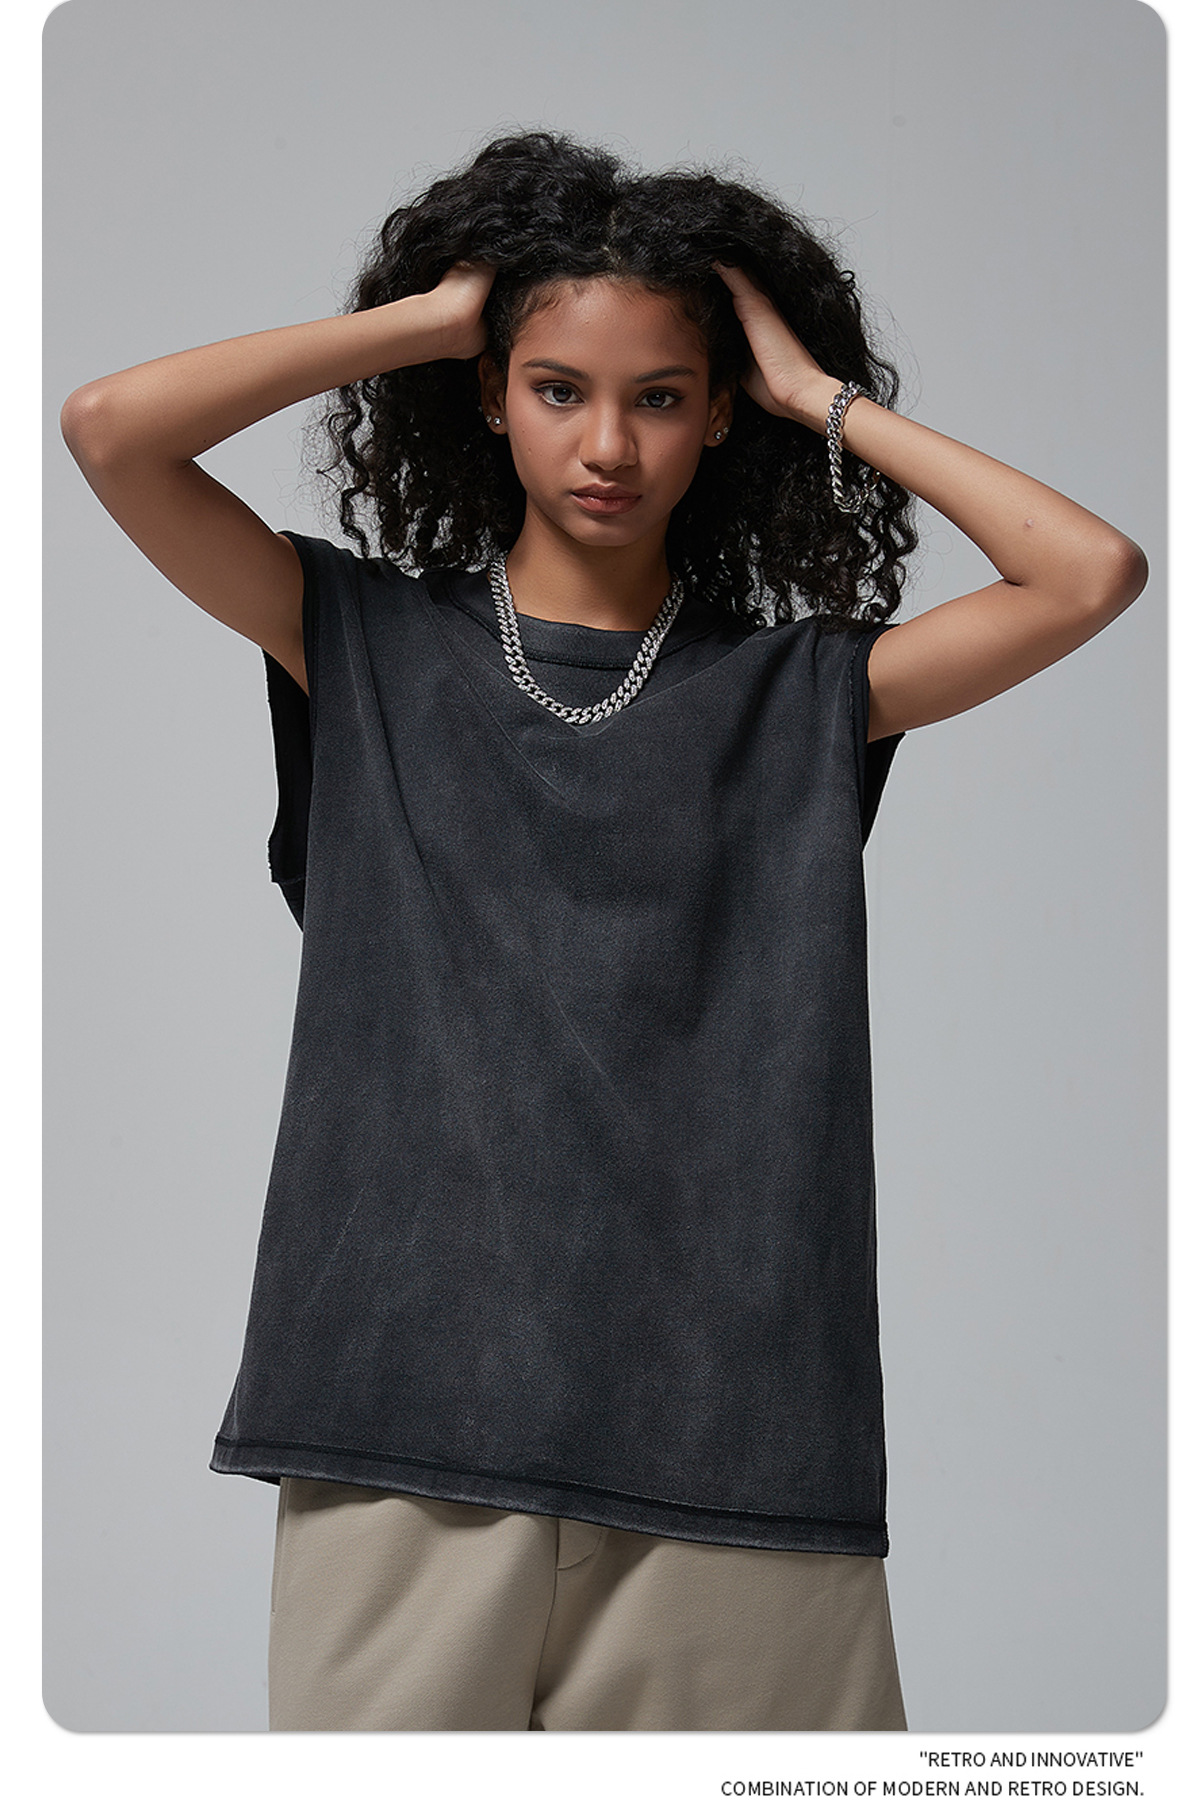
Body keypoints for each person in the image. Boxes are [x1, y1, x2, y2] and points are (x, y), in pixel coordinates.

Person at [60, 130, 1147, 1733]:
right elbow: (111, 431)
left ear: (720, 415)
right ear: (491, 398)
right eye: (557, 388)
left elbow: (1090, 574)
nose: (608, 444)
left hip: (739, 1449)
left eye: (661, 396)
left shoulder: (801, 694)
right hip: (401, 1427)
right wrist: (434, 320)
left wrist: (823, 398)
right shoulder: (360, 641)